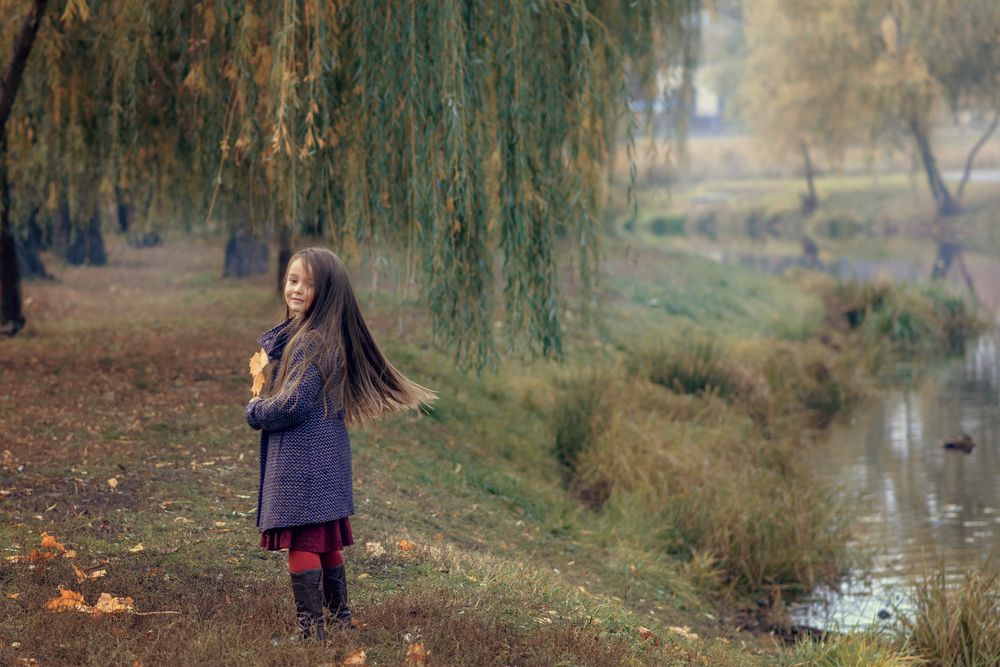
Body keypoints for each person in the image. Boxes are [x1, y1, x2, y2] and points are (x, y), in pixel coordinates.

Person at [245, 247, 435, 640]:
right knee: (324, 541)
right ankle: (339, 617)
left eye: (308, 284)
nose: (296, 289)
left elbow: (294, 404)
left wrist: (256, 410)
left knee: (302, 541)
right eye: (292, 280)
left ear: (328, 292)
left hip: (304, 463)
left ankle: (311, 630)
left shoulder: (313, 343)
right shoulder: (315, 335)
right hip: (323, 459)